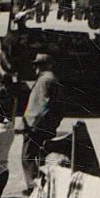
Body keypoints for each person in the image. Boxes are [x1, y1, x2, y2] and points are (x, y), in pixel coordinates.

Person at [20, 54, 61, 186]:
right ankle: (45, 184)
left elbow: (41, 104)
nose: (35, 68)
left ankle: (33, 185)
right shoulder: (53, 79)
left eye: (37, 65)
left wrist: (32, 124)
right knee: (43, 156)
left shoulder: (44, 80)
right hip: (48, 125)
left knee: (28, 156)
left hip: (36, 125)